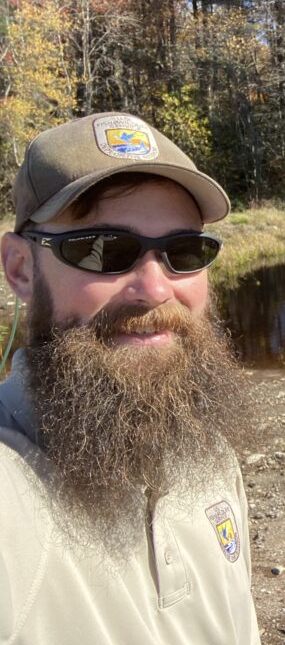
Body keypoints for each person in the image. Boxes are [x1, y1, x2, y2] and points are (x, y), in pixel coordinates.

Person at [0, 112, 260, 643]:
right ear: (20, 268)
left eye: (185, 251)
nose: (156, 288)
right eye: (103, 250)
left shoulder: (210, 458)